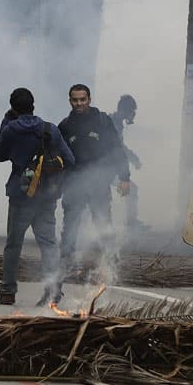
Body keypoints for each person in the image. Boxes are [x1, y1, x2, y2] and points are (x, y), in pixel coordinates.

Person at [0, 88, 75, 306]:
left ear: (13, 108)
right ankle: (54, 289)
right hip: (47, 196)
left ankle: (8, 292)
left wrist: (5, 123)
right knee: (48, 243)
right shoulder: (50, 129)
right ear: (33, 105)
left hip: (21, 196)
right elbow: (70, 159)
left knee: (13, 244)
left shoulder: (11, 129)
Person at [58, 84, 130, 274]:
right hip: (74, 185)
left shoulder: (102, 121)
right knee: (70, 225)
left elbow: (117, 150)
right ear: (70, 101)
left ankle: (110, 264)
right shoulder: (65, 126)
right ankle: (65, 264)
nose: (79, 103)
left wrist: (124, 178)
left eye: (83, 99)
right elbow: (57, 158)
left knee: (103, 223)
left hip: (99, 183)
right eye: (75, 100)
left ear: (89, 99)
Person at [109, 94, 146, 230]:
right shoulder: (114, 123)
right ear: (125, 111)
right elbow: (119, 148)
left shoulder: (115, 122)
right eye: (132, 111)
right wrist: (134, 159)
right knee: (131, 189)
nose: (133, 115)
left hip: (103, 168)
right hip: (103, 168)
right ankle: (131, 223)